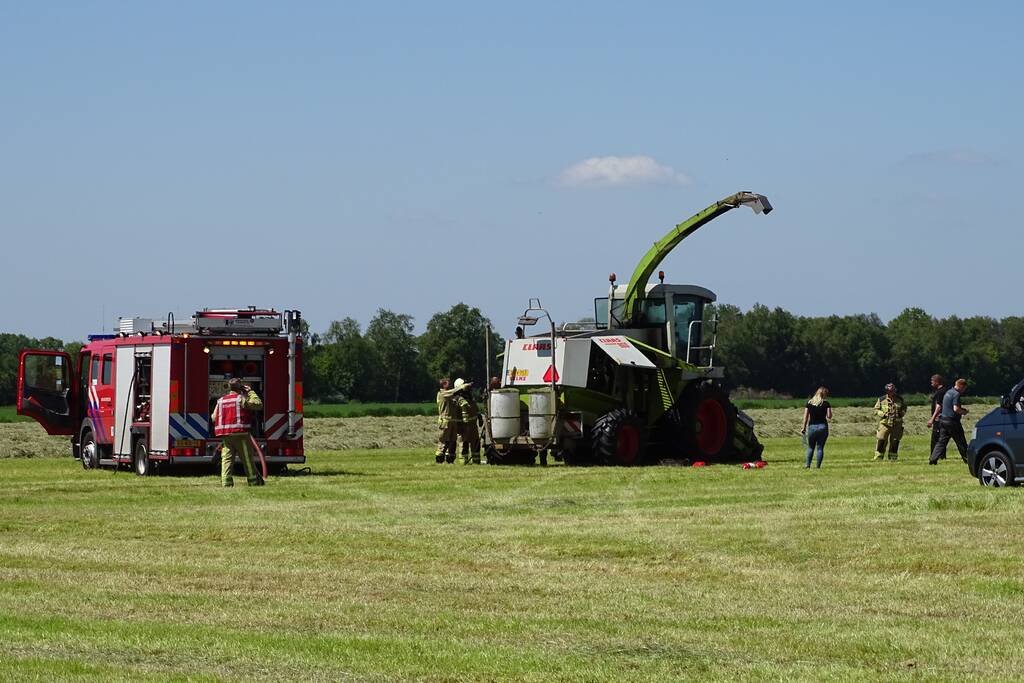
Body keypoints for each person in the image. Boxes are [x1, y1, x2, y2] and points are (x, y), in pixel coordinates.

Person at [211, 378, 264, 487]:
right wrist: (250, 392)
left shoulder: (221, 401)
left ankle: (226, 483)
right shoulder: (241, 399)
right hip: (241, 434)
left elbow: (213, 417)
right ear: (240, 388)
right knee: (247, 459)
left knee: (227, 460)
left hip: (226, 435)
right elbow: (258, 404)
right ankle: (253, 482)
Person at [930, 378, 970, 465]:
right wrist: (964, 411)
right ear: (961, 386)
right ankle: (967, 459)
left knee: (941, 441)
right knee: (961, 441)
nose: (964, 391)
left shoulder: (948, 392)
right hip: (952, 422)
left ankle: (933, 459)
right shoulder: (956, 394)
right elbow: (956, 409)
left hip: (943, 420)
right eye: (964, 388)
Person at [872, 383, 907, 461]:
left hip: (897, 424)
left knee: (895, 441)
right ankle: (878, 457)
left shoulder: (900, 399)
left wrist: (902, 413)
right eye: (890, 391)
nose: (892, 392)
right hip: (885, 423)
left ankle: (893, 458)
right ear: (887, 391)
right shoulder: (881, 399)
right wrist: (883, 414)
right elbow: (876, 410)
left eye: (893, 391)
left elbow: (904, 408)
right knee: (881, 440)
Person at [800, 386, 832, 468]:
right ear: (824, 395)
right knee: (820, 448)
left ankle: (808, 465)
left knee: (810, 447)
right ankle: (818, 466)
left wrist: (803, 427)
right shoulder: (826, 403)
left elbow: (805, 417)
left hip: (812, 427)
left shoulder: (809, 403)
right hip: (823, 427)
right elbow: (829, 416)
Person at [452, 378, 482, 464]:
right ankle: (463, 461)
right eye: (465, 386)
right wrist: (458, 426)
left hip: (473, 425)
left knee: (476, 443)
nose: (468, 388)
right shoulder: (457, 399)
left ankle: (476, 461)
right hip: (463, 426)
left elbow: (475, 408)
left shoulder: (469, 396)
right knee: (464, 444)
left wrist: (479, 417)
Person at [434, 378, 457, 464]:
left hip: (452, 421)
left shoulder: (449, 394)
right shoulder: (443, 393)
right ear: (443, 385)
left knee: (452, 441)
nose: (451, 384)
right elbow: (454, 392)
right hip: (445, 421)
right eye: (448, 383)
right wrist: (462, 387)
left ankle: (450, 459)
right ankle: (439, 459)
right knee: (443, 441)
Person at [925, 374, 946, 458]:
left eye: (932, 381)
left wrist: (932, 419)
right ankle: (940, 455)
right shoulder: (941, 391)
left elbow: (939, 406)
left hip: (939, 418)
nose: (931, 383)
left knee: (936, 439)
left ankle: (935, 456)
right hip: (940, 418)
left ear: (937, 381)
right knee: (941, 437)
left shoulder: (940, 392)